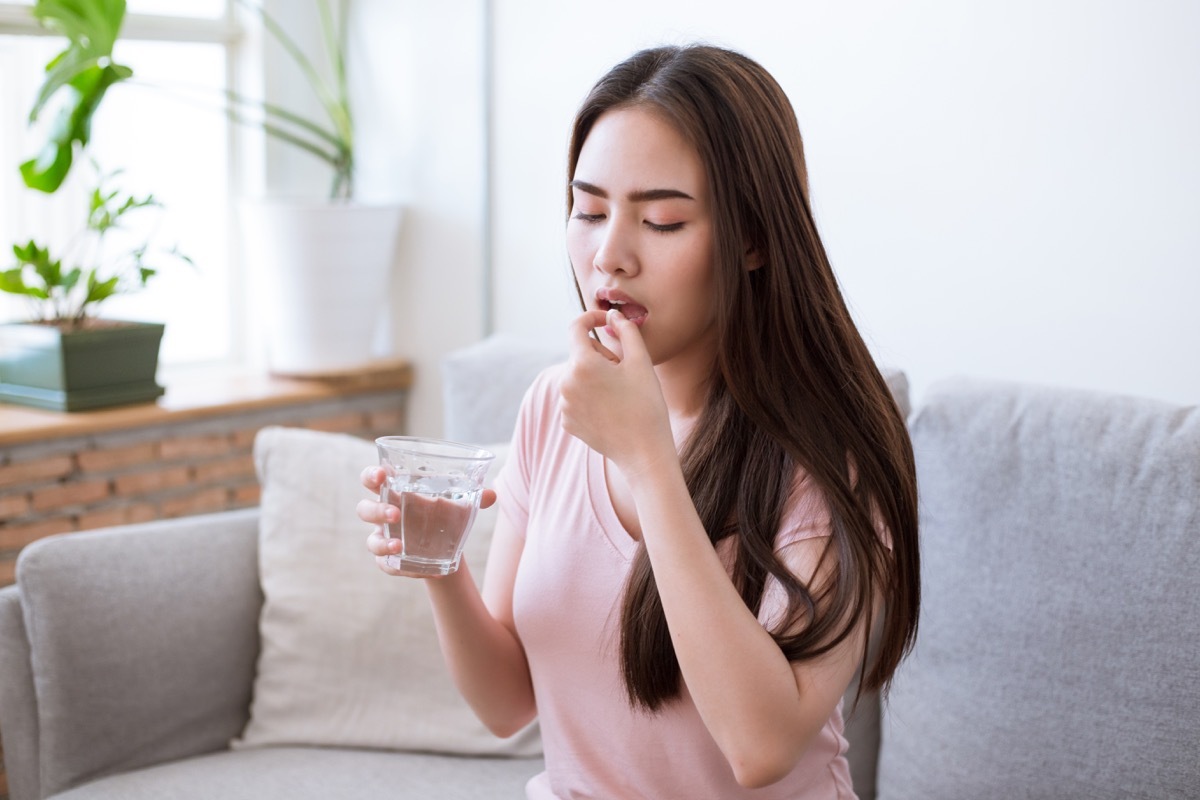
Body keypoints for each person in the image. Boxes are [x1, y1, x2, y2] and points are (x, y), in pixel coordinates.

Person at [359, 43, 919, 799]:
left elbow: (762, 747)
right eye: (588, 211)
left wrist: (650, 461)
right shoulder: (551, 408)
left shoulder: (829, 454)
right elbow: (505, 704)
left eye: (660, 221)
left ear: (753, 239)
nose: (608, 254)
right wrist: (440, 564)